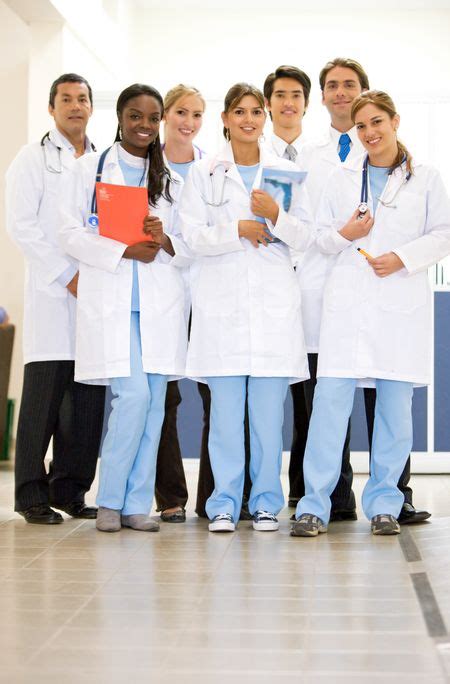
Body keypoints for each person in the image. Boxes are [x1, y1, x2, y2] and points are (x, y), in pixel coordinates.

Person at [291, 89, 450, 537]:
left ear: (395, 121)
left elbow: (444, 232)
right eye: (361, 126)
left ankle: (384, 503)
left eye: (377, 122)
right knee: (328, 408)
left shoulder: (427, 178)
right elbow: (318, 239)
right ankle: (314, 505)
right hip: (346, 308)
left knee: (395, 412)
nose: (369, 132)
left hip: (399, 307)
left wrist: (402, 256)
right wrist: (347, 233)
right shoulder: (341, 179)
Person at [179, 82, 314, 533]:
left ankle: (265, 503)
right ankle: (223, 502)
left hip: (273, 311)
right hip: (223, 310)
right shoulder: (204, 172)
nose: (250, 119)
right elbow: (191, 237)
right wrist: (237, 228)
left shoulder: (286, 173)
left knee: (267, 421)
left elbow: (307, 237)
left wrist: (276, 216)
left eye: (257, 111)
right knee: (224, 418)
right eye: (240, 112)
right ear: (225, 118)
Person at [59, 83, 190, 533]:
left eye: (153, 118)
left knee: (153, 403)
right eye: (136, 116)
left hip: (158, 303)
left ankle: (137, 503)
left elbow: (186, 241)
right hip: (115, 300)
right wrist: (122, 251)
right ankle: (110, 498)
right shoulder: (88, 170)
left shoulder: (168, 175)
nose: (145, 126)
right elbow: (67, 233)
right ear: (120, 118)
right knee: (133, 396)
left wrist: (162, 235)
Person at [5, 73, 105, 525]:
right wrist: (67, 276)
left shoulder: (103, 159)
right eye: (66, 99)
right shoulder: (32, 158)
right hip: (53, 294)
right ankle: (30, 494)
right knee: (43, 402)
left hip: (97, 294)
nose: (75, 106)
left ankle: (71, 489)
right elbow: (22, 225)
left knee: (86, 405)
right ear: (52, 108)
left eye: (82, 99)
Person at [154, 84, 205, 524]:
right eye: (181, 112)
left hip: (207, 293)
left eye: (196, 114)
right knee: (164, 396)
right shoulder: (145, 166)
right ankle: (169, 496)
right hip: (163, 290)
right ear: (165, 115)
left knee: (216, 395)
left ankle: (214, 498)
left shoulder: (214, 169)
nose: (188, 122)